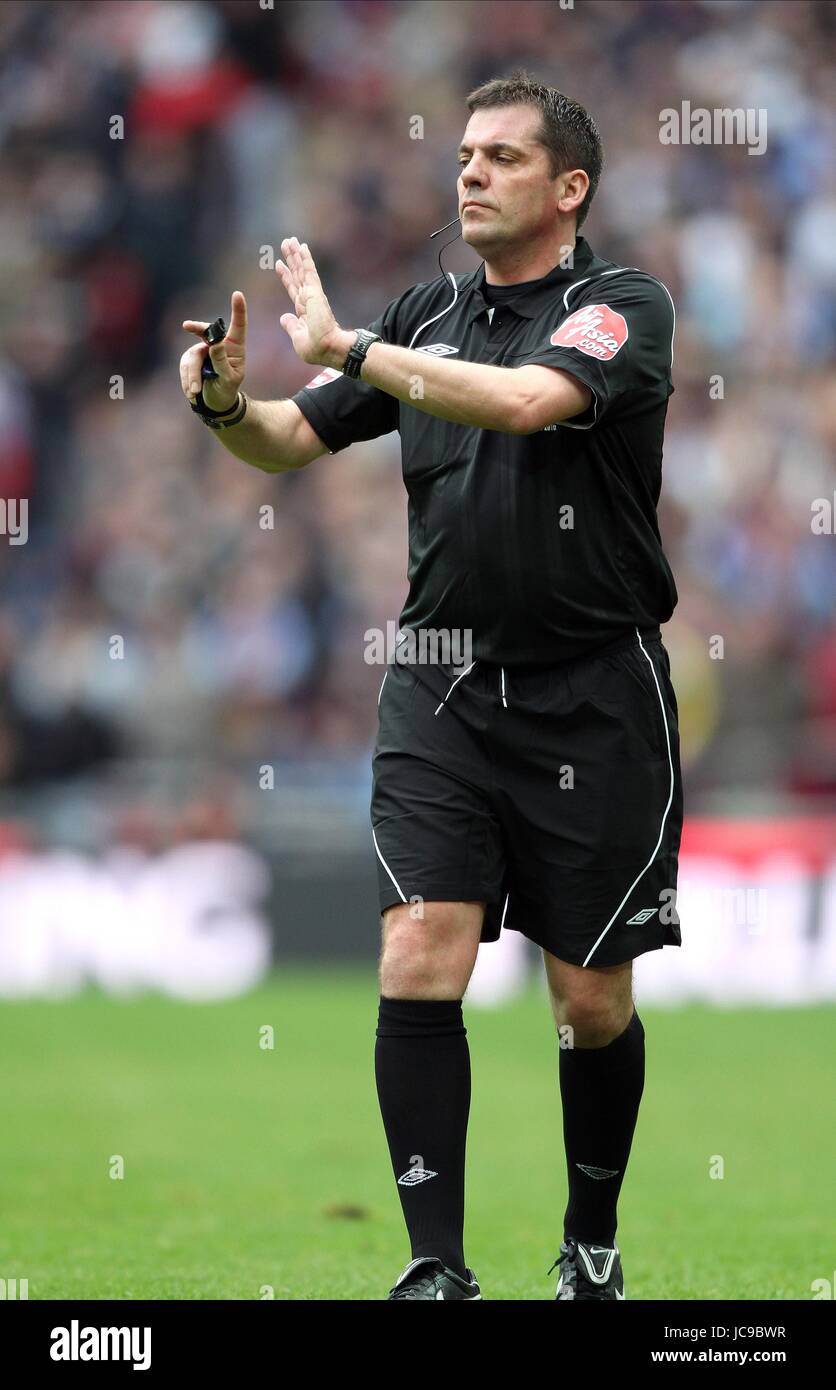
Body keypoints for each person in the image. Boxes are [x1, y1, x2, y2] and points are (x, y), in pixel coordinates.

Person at [179, 71, 683, 1302]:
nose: (468, 172)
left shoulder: (621, 306)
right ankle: (433, 1269)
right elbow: (292, 439)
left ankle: (591, 1245)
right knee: (417, 948)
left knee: (588, 1000)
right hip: (441, 681)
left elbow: (523, 405)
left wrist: (357, 348)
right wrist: (226, 402)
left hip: (594, 690)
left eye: (502, 157)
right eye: (463, 153)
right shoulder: (426, 314)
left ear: (568, 189)